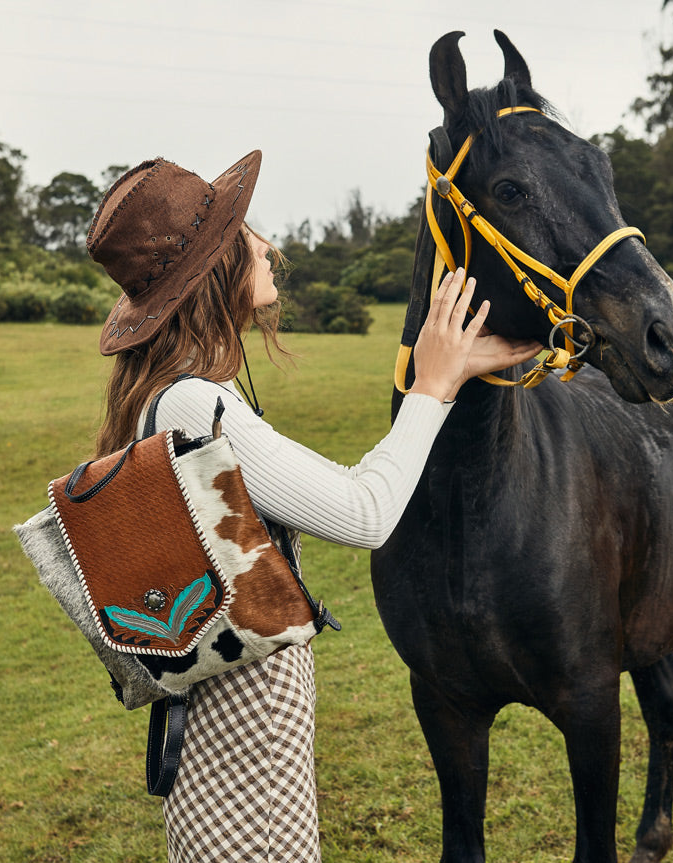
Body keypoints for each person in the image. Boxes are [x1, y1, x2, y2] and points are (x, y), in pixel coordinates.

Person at [86, 151, 541, 863]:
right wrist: (432, 386)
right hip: (246, 723)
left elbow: (327, 485)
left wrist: (447, 377)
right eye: (244, 232)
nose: (269, 245)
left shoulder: (171, 395)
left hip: (218, 720)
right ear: (212, 271)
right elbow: (364, 512)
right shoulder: (193, 403)